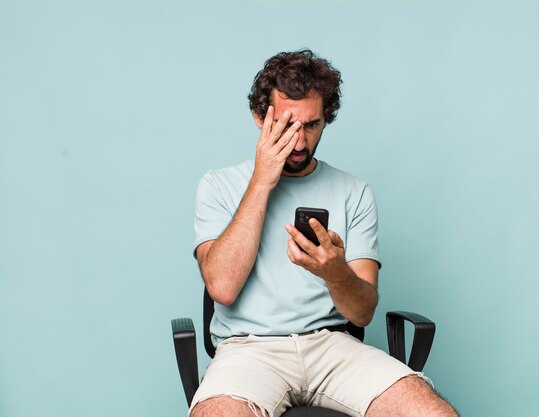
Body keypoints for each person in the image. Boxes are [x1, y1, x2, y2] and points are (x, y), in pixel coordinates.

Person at [191, 49, 458, 417]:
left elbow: (362, 312)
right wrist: (262, 180)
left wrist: (334, 271)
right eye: (286, 124)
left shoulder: (354, 192)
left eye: (311, 125)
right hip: (249, 351)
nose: (299, 142)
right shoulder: (218, 185)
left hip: (332, 347)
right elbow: (221, 286)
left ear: (325, 119)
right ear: (259, 117)